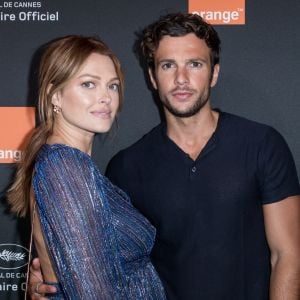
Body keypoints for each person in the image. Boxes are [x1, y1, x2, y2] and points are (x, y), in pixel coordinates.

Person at [29, 13, 300, 300]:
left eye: (194, 64)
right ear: (152, 76)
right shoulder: (124, 166)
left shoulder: (261, 143)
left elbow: (288, 255)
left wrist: (59, 283)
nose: (181, 79)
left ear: (214, 73)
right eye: (168, 65)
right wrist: (57, 284)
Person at [7, 35, 166, 299]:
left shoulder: (69, 164)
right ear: (54, 95)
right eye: (89, 84)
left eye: (112, 86)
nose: (105, 97)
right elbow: (94, 293)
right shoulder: (64, 165)